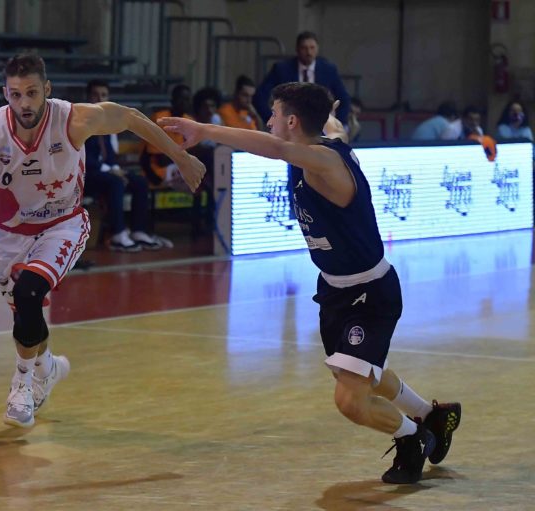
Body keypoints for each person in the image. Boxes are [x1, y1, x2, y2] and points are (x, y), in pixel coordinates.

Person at [158, 82, 460, 484]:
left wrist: (205, 130)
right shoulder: (324, 141)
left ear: (292, 122)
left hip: (370, 293)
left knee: (350, 400)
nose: (268, 121)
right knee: (360, 373)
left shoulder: (324, 161)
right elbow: (330, 127)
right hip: (334, 289)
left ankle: (413, 437)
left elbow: (277, 147)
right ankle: (430, 414)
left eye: (274, 114)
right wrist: (328, 112)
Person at [0, 54, 204, 429]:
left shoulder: (74, 119)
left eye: (32, 92)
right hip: (9, 234)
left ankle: (21, 386)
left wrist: (180, 156)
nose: (24, 103)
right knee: (26, 314)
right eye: (16, 94)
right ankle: (47, 368)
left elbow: (130, 117)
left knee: (29, 291)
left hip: (62, 225)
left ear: (46, 90)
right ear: (5, 94)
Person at [84, 79, 171, 251]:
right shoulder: (80, 122)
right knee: (115, 182)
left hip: (106, 171)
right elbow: (83, 157)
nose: (100, 99)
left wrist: (116, 169)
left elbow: (109, 154)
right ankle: (118, 233)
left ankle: (138, 230)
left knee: (139, 182)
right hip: (86, 174)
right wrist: (111, 171)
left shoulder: (107, 122)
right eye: (95, 95)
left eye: (104, 95)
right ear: (88, 97)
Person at [253, 31, 350, 127]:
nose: (309, 52)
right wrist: (273, 120)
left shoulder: (328, 70)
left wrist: (338, 123)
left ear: (317, 48)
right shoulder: (282, 69)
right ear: (297, 49)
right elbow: (259, 97)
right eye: (304, 48)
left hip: (320, 125)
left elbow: (344, 99)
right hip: (289, 125)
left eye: (312, 48)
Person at [140, 84, 194, 190]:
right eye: (181, 99)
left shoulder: (190, 121)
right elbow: (160, 160)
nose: (184, 103)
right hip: (157, 171)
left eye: (187, 99)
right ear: (173, 101)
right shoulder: (160, 119)